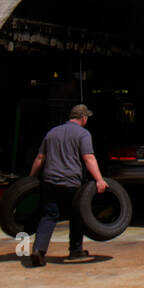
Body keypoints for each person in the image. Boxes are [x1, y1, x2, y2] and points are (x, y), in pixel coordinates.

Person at [27, 103, 108, 267]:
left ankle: (39, 250)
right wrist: (99, 180)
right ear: (83, 118)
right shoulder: (83, 134)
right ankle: (75, 250)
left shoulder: (52, 132)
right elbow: (89, 158)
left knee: (49, 215)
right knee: (77, 214)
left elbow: (40, 158)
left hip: (50, 181)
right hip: (71, 183)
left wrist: (29, 180)